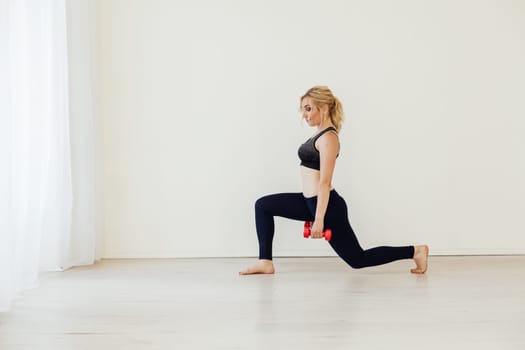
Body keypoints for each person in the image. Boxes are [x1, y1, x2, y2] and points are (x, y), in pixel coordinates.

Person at [239, 86, 429, 275]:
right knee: (263, 206)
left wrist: (319, 218)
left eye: (308, 108)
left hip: (328, 206)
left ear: (324, 107)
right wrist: (312, 213)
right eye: (303, 109)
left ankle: (415, 251)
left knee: (357, 259)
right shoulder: (318, 135)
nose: (305, 115)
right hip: (309, 202)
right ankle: (265, 261)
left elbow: (325, 182)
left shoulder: (329, 138)